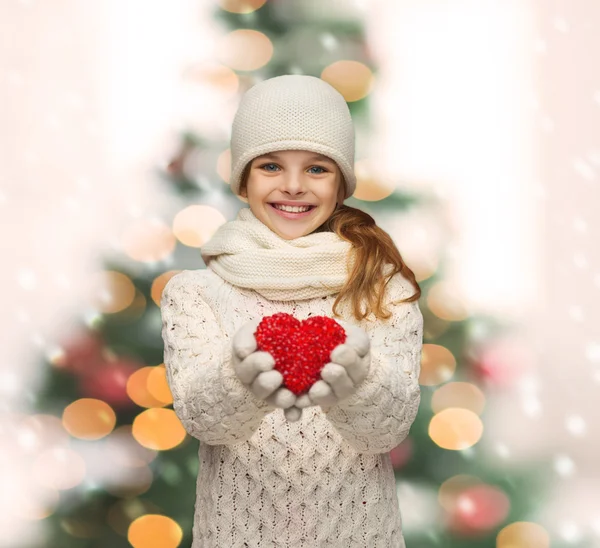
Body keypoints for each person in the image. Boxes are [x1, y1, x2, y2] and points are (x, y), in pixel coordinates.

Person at [160, 74, 424, 548]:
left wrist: (358, 381)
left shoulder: (381, 288)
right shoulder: (195, 293)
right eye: (271, 166)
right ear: (243, 178)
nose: (294, 186)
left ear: (341, 181)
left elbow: (387, 429)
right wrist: (239, 376)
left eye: (317, 169)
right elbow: (202, 419)